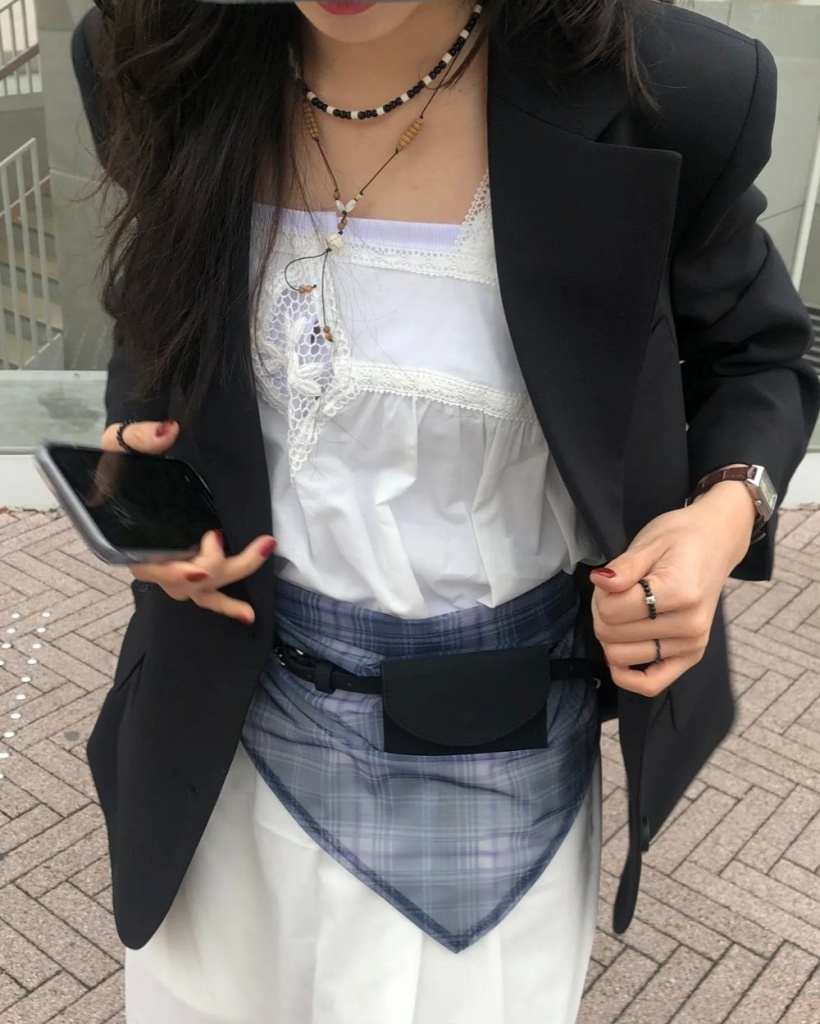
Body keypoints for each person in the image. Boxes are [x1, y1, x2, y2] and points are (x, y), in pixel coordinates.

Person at [71, 0, 819, 1021]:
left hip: (497, 775)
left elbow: (761, 356)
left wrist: (720, 518)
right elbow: (152, 322)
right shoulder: (160, 49)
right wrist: (148, 503)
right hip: (222, 753)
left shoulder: (669, 90)